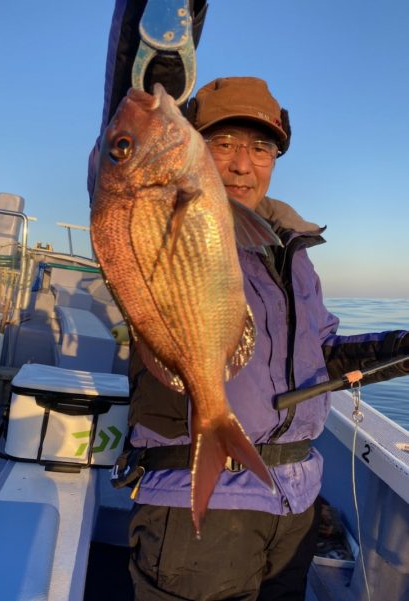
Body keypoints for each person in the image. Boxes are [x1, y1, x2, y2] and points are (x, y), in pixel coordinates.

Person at [88, 4, 409, 600]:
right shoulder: (148, 196)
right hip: (196, 513)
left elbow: (321, 356)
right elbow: (126, 109)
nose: (242, 164)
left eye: (261, 148)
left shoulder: (292, 251)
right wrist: (167, 21)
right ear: (191, 139)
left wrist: (398, 347)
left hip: (293, 507)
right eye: (225, 142)